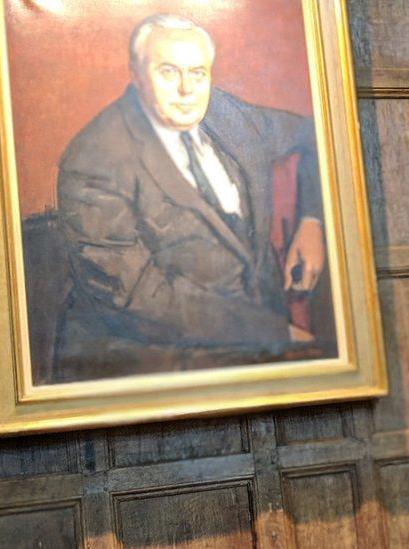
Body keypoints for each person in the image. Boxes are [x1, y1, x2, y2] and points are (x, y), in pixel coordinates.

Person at [53, 14, 328, 381]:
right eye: (168, 72)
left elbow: (317, 133)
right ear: (136, 75)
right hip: (145, 363)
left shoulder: (226, 115)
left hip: (250, 345)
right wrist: (271, 333)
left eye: (198, 73)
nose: (187, 90)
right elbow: (136, 298)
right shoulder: (95, 159)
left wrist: (312, 220)